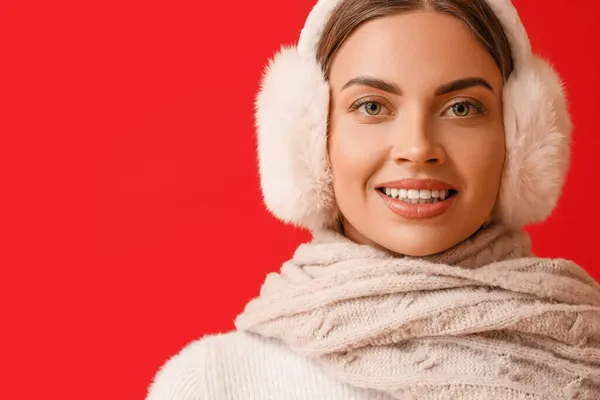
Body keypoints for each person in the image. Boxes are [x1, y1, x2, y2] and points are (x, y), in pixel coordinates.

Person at [145, 0, 600, 398]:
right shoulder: (214, 383)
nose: (418, 148)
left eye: (461, 107)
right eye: (372, 106)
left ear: (522, 137)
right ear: (310, 138)